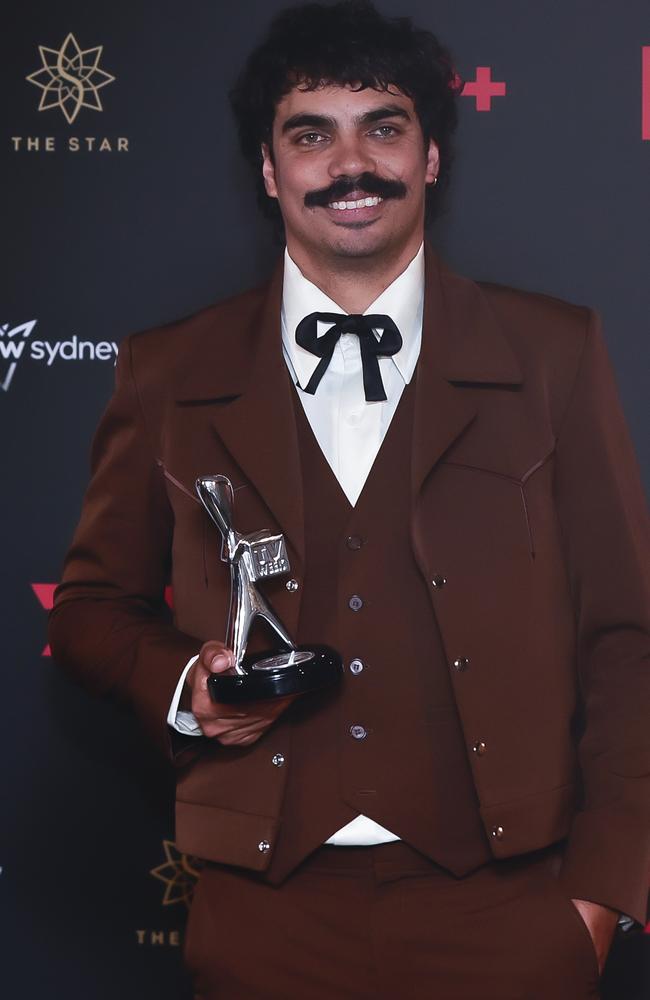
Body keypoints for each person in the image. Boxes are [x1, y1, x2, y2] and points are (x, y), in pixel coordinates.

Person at [49, 2, 649, 997]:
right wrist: (185, 693)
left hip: (506, 912)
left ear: (429, 158)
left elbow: (626, 637)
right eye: (309, 133)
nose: (349, 163)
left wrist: (596, 896)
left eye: (382, 126)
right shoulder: (167, 371)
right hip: (263, 915)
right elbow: (88, 613)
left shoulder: (550, 353)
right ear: (268, 170)